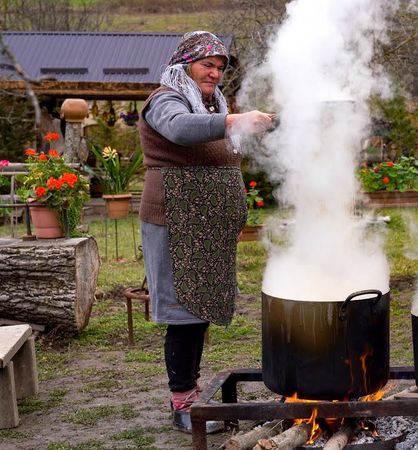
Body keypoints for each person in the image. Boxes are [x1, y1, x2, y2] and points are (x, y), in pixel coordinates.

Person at [137, 30, 275, 434]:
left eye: (219, 67)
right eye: (206, 65)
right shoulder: (166, 99)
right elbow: (180, 130)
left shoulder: (211, 102)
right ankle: (183, 402)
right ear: (185, 64)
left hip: (204, 225)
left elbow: (215, 140)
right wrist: (233, 120)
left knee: (198, 311)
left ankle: (192, 393)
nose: (214, 73)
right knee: (183, 313)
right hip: (175, 221)